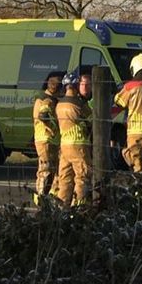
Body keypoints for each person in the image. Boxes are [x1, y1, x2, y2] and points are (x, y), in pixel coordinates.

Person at [55, 71, 93, 207]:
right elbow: (91, 120)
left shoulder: (59, 105)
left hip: (64, 146)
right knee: (82, 177)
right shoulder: (79, 104)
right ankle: (78, 208)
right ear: (76, 85)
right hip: (79, 145)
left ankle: (61, 208)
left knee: (64, 179)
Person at [32, 71, 63, 205]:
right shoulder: (47, 100)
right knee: (46, 171)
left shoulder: (42, 98)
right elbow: (43, 116)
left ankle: (49, 196)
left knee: (52, 170)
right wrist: (54, 126)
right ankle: (41, 198)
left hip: (45, 139)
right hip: (46, 139)